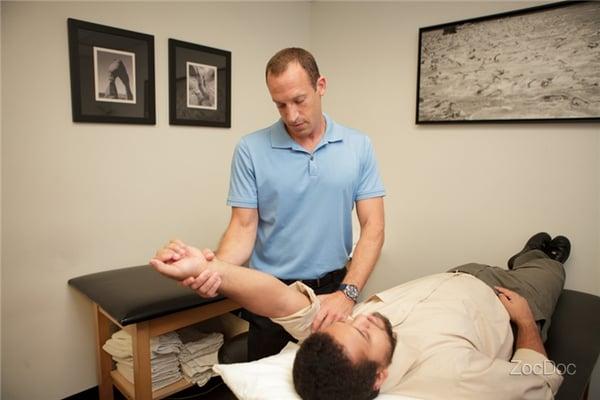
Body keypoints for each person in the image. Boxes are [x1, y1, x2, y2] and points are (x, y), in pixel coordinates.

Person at [156, 47, 385, 360]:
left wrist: (348, 292)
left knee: (330, 383)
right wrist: (216, 271)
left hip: (335, 289)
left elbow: (373, 227)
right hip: (269, 292)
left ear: (321, 86)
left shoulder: (358, 146)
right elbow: (243, 226)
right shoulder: (251, 149)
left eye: (299, 100)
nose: (291, 115)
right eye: (280, 104)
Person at [150, 232, 570, 400]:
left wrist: (211, 271)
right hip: (507, 298)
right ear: (379, 378)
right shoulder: (452, 377)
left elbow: (278, 300)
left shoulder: (340, 337)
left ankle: (528, 252)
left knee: (513, 258)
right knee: (549, 268)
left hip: (455, 272)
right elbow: (541, 377)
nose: (361, 320)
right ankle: (542, 254)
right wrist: (526, 324)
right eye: (365, 334)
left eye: (352, 324)